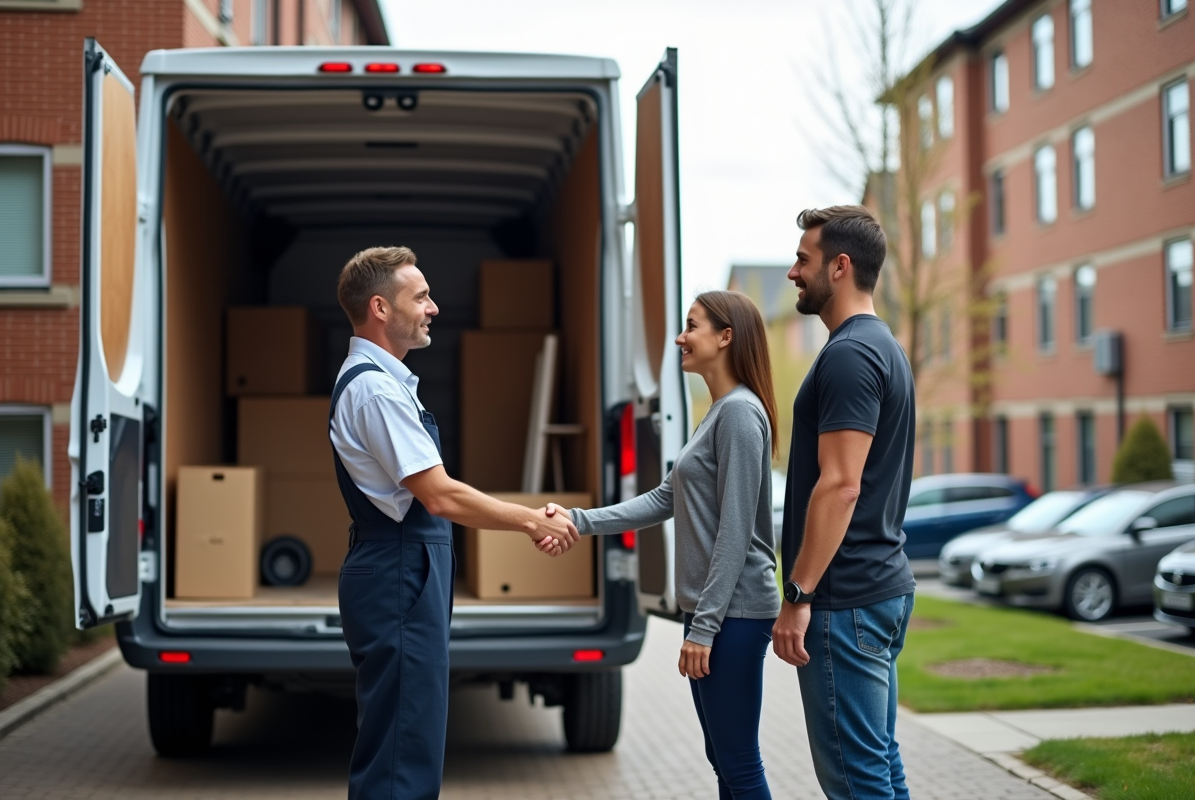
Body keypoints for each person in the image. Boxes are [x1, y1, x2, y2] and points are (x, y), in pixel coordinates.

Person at [328, 246, 579, 800]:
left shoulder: (383, 383)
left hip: (405, 568)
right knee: (401, 755)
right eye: (420, 297)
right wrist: (531, 519)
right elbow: (439, 495)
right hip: (399, 569)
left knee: (406, 740)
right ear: (380, 309)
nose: (433, 307)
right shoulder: (374, 389)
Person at [546, 290, 780, 800]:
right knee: (723, 759)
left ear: (725, 337)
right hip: (720, 614)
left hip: (735, 615)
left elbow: (736, 532)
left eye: (691, 326)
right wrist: (578, 520)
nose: (679, 337)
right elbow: (662, 498)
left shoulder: (739, 414)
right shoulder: (718, 412)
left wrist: (705, 625)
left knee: (738, 763)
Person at [771, 206, 917, 800]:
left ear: (840, 265)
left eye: (803, 260)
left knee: (857, 784)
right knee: (878, 768)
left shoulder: (852, 355)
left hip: (844, 599)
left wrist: (798, 595)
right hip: (876, 589)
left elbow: (841, 485)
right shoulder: (881, 346)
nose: (792, 272)